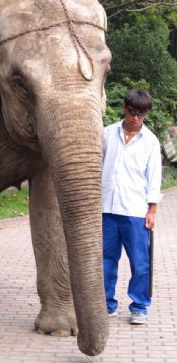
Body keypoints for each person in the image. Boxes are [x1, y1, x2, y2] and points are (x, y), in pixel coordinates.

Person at [102, 89, 162, 325]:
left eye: (142, 113)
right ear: (125, 108)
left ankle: (139, 306)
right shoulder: (107, 134)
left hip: (136, 212)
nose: (136, 118)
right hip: (107, 209)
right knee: (105, 261)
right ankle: (106, 304)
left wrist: (152, 210)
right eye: (132, 112)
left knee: (140, 263)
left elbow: (154, 177)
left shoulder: (150, 142)